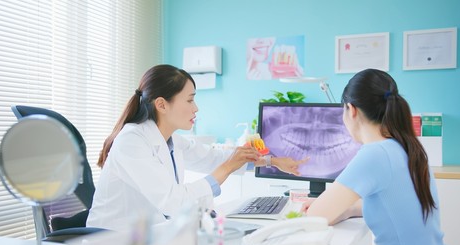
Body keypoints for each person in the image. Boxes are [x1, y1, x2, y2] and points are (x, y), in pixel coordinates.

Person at [87, 64, 307, 231]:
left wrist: (273, 162)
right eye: (190, 100)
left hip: (150, 236)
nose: (196, 108)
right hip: (113, 243)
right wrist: (227, 168)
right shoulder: (132, 141)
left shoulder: (171, 141)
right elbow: (172, 201)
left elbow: (215, 157)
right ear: (162, 104)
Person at [300, 68, 453, 245]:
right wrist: (349, 210)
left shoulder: (374, 154)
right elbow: (396, 203)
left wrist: (326, 207)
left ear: (351, 110)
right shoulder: (408, 147)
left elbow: (316, 216)